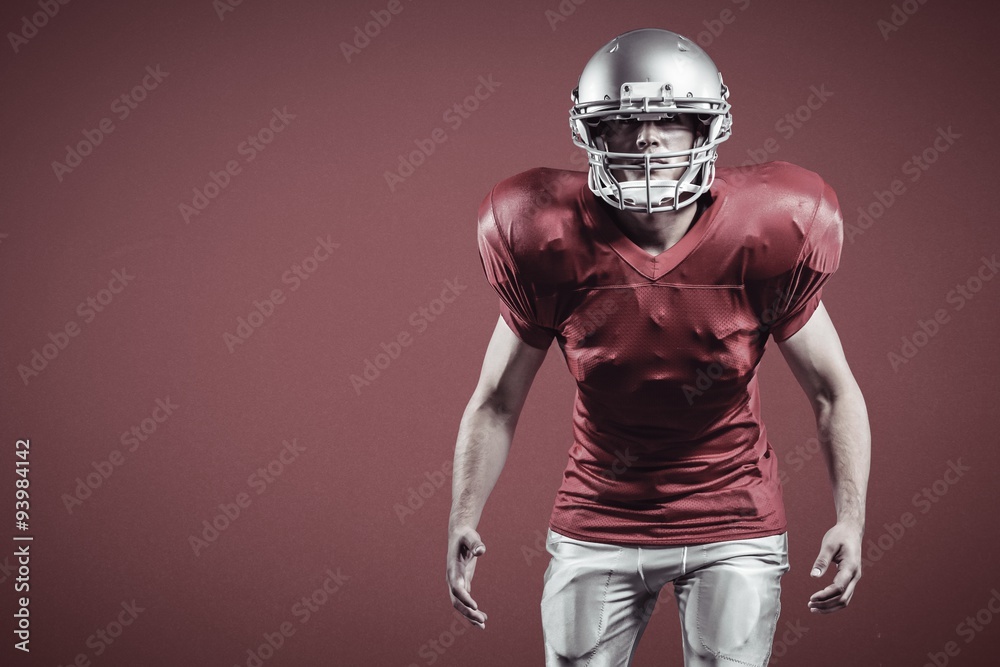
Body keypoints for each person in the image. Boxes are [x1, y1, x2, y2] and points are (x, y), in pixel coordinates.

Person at [446, 27, 870, 667]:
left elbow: (834, 391)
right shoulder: (543, 234)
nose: (647, 139)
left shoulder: (766, 231)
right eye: (623, 122)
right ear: (593, 134)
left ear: (706, 130)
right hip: (600, 514)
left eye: (671, 119)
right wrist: (462, 514)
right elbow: (497, 400)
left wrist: (852, 517)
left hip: (733, 514)